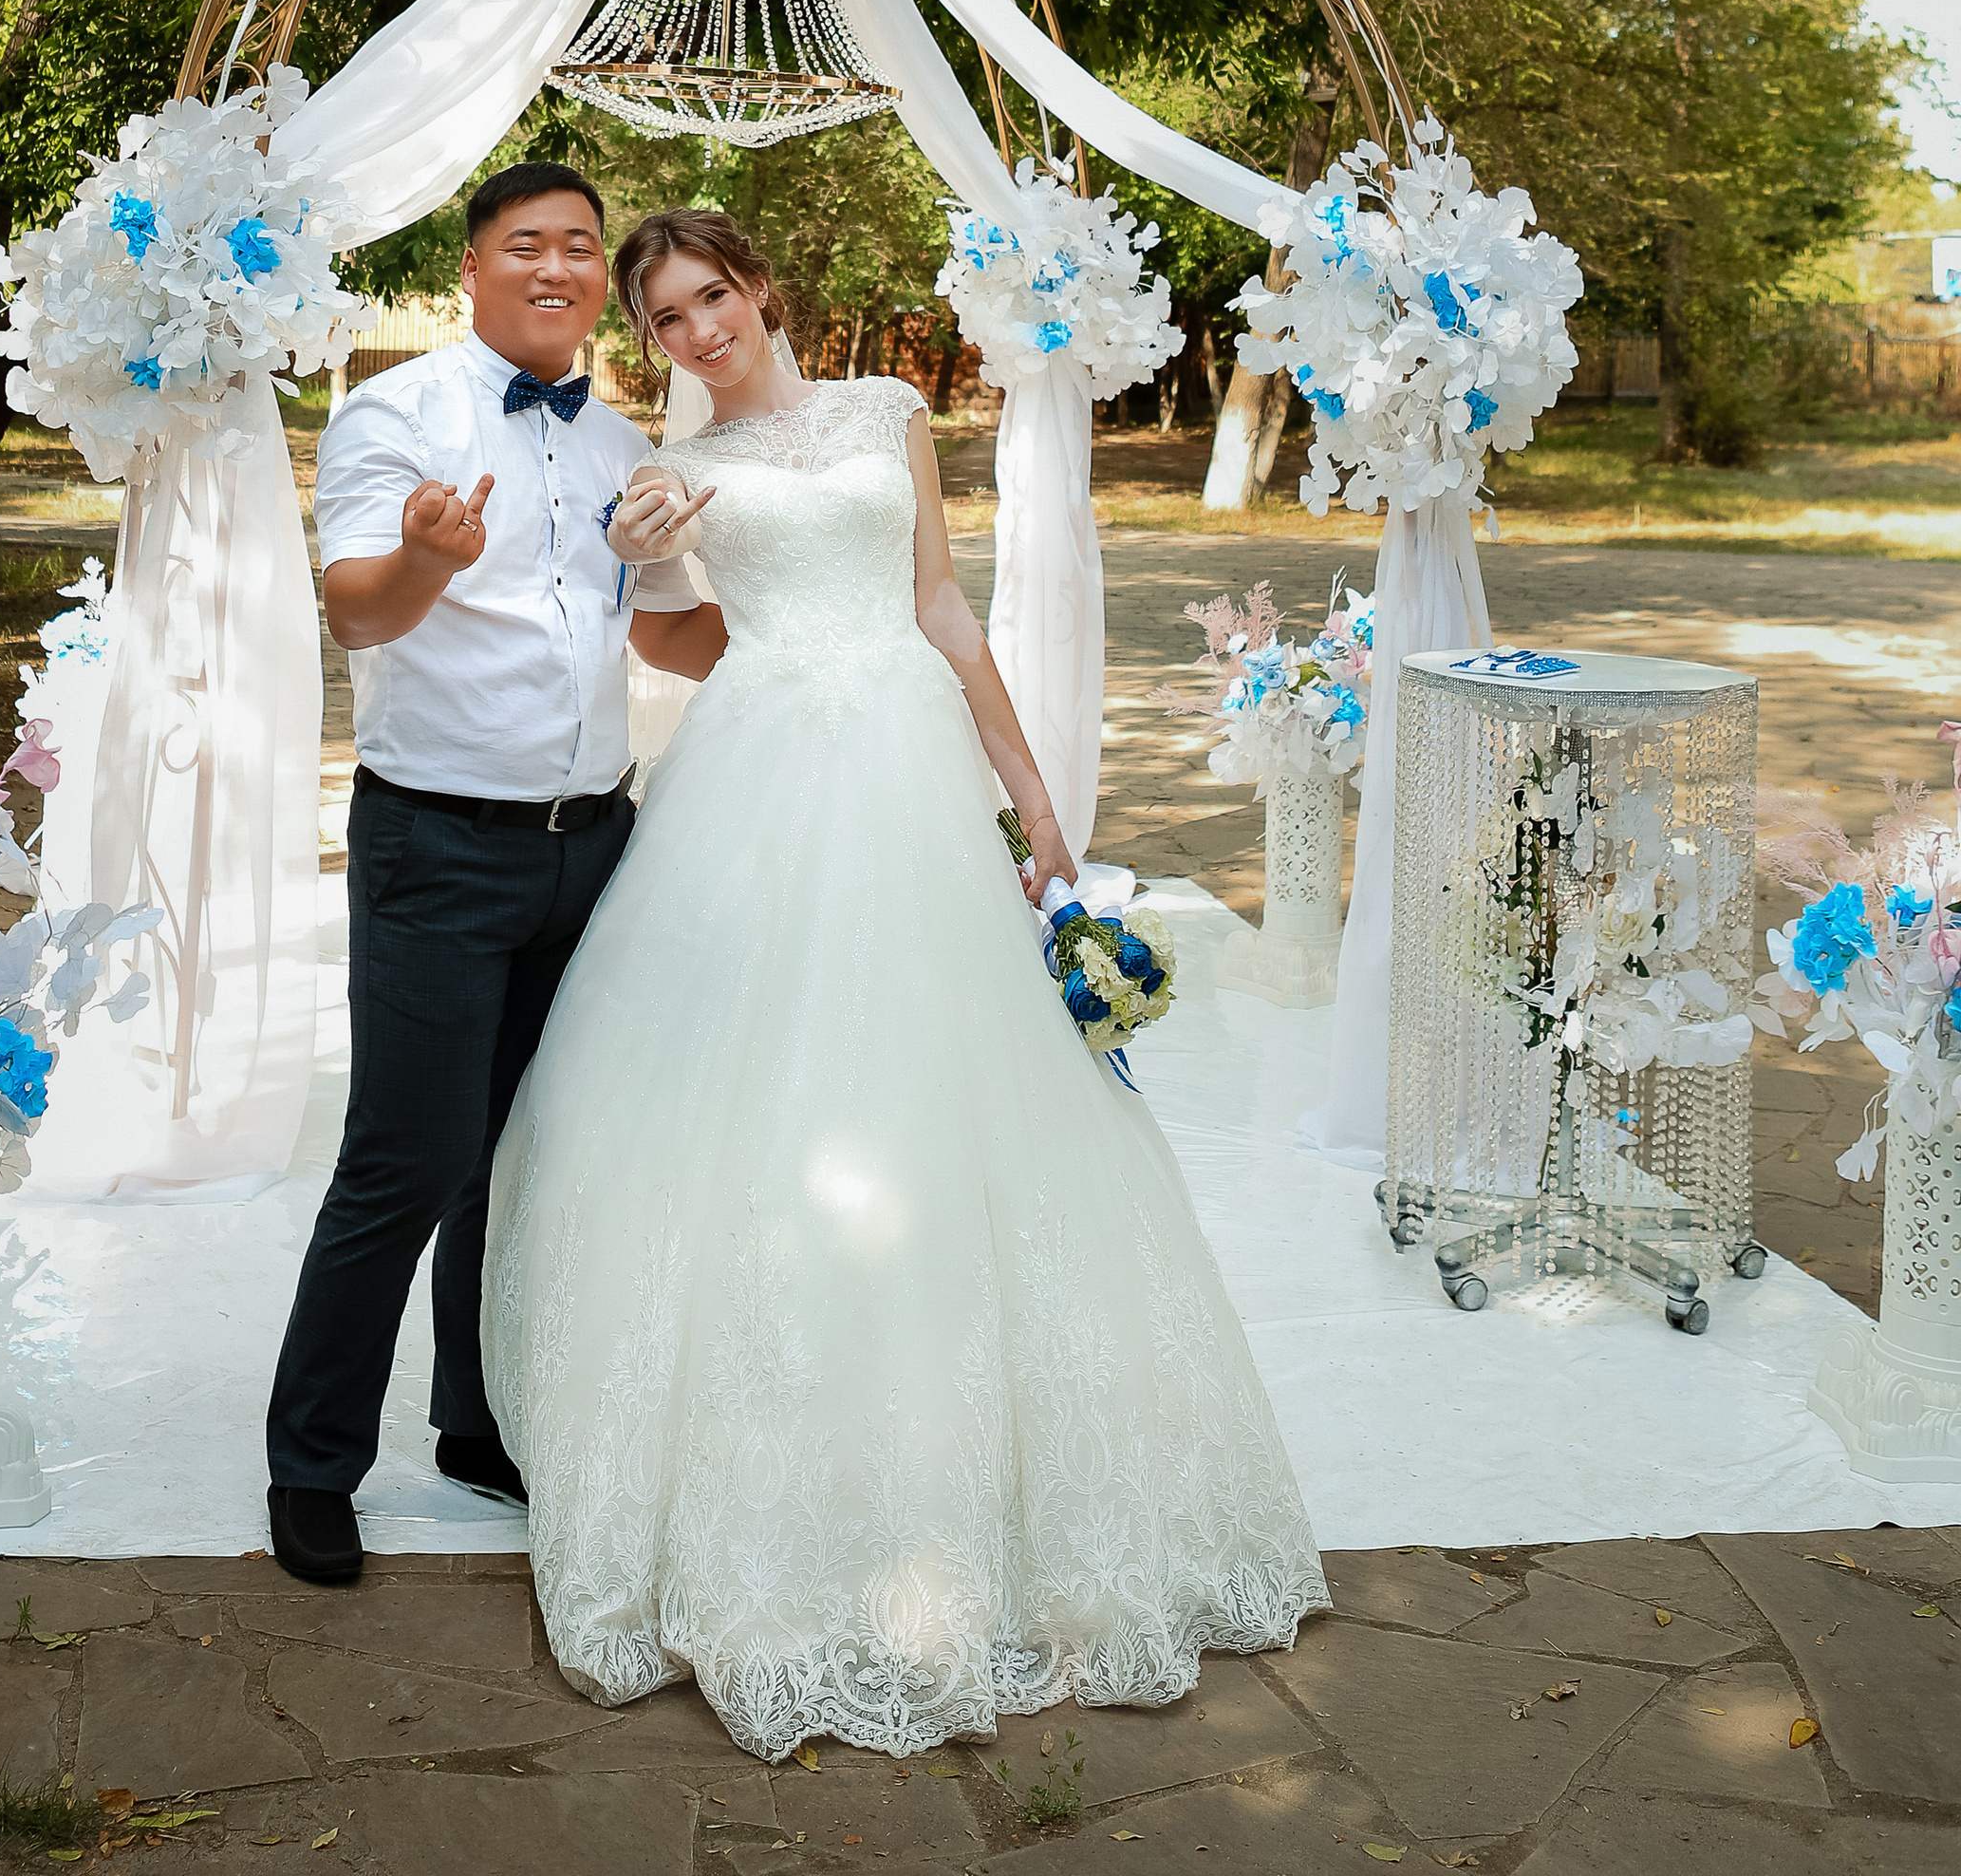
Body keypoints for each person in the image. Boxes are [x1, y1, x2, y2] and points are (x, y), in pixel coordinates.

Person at [482, 204, 1326, 1762]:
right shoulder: (670, 466)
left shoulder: (886, 415)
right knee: (751, 1107)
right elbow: (676, 644)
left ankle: (988, 1479)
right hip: (761, 777)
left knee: (957, 1095)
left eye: (710, 297)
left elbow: (941, 606)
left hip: (912, 771)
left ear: (760, 284)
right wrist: (650, 564)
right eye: (663, 318)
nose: (694, 333)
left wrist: (1034, 789)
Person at [262, 160, 706, 1588]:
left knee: (522, 1163)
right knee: (405, 1160)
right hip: (440, 844)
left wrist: (779, 614)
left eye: (583, 248)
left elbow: (661, 642)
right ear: (472, 266)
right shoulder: (399, 414)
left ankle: (477, 1421)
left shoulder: (618, 440)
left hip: (594, 847)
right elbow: (355, 610)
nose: (560, 267)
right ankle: (312, 1463)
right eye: (530, 245)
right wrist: (426, 561)